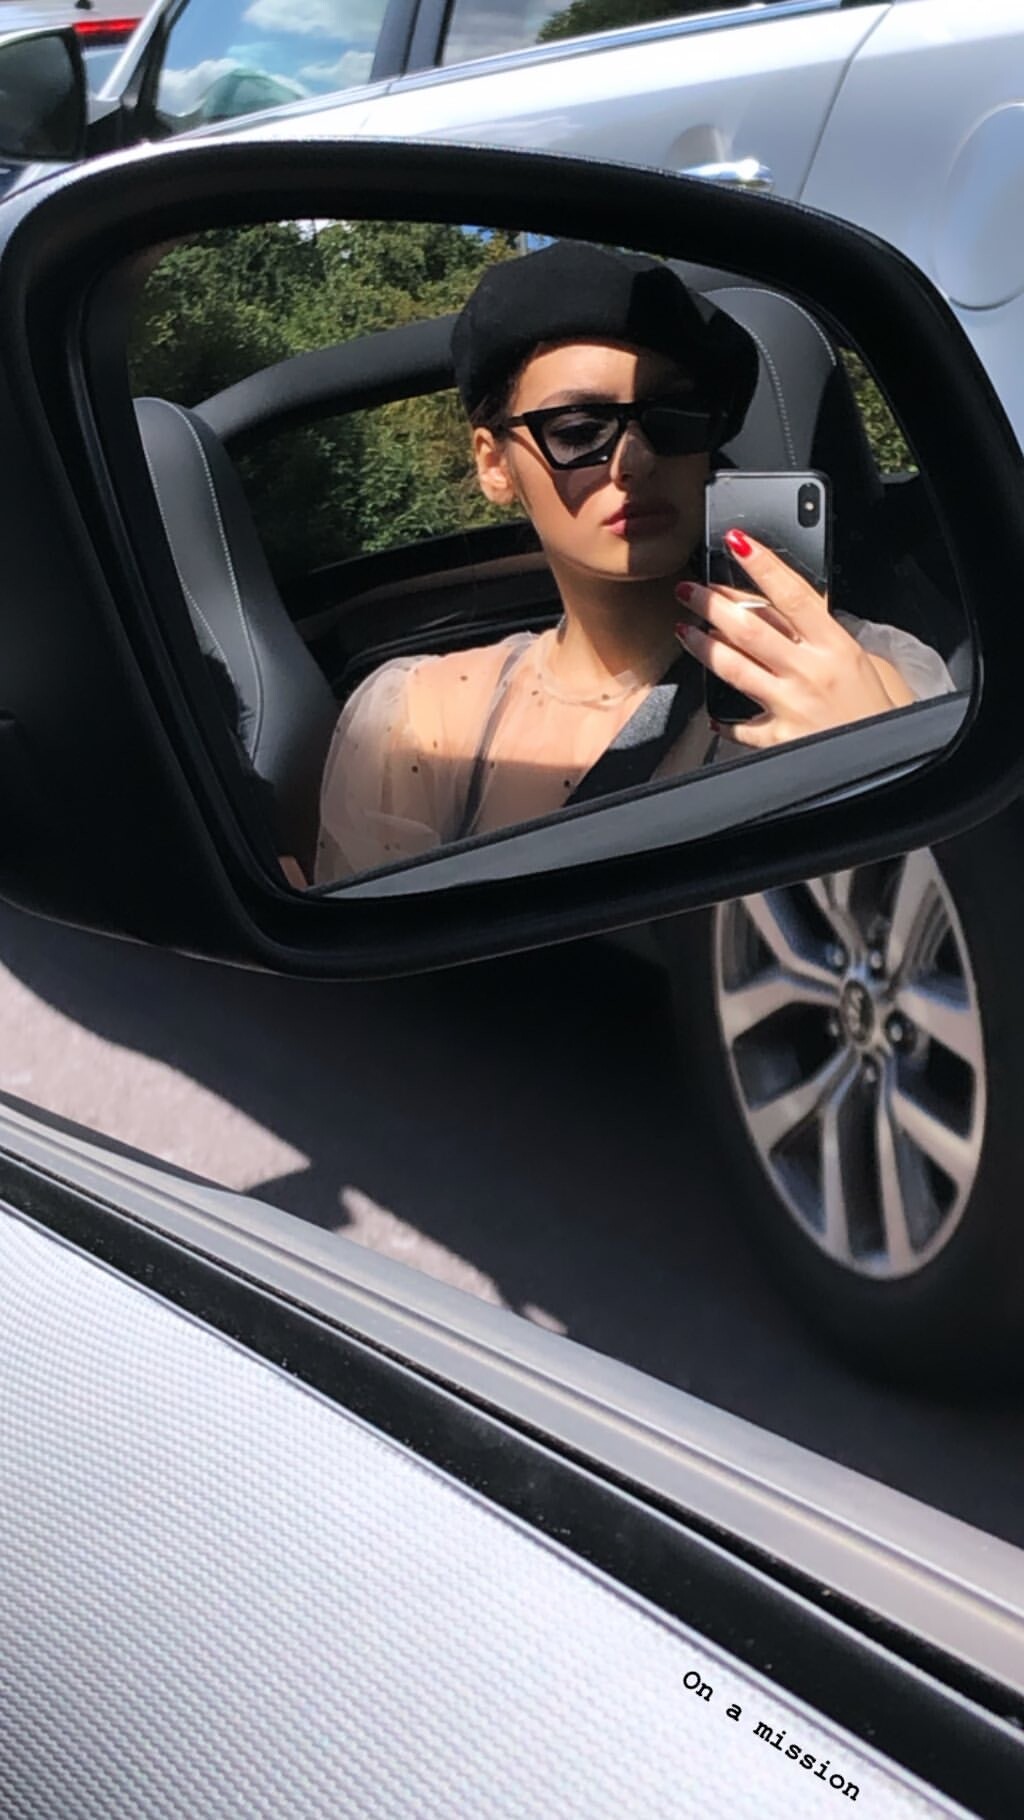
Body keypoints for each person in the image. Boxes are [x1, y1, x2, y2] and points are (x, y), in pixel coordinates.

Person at [315, 242, 951, 883]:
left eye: (674, 417)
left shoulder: (873, 671)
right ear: (493, 464)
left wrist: (880, 759)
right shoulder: (417, 722)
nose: (637, 460)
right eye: (577, 430)